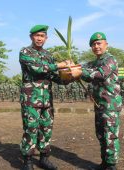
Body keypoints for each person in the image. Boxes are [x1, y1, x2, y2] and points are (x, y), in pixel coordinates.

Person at [19, 24, 72, 170]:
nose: (39, 38)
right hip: (30, 99)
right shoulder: (25, 52)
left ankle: (44, 158)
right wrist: (60, 65)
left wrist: (69, 77)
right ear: (31, 37)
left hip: (46, 100)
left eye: (42, 36)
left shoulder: (49, 55)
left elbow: (53, 76)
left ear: (46, 38)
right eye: (37, 35)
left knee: (46, 129)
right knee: (31, 128)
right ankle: (28, 161)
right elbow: (38, 68)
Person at [81, 32, 122, 170]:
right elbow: (85, 73)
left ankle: (111, 165)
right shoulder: (94, 63)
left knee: (110, 136)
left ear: (106, 45)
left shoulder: (110, 60)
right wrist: (73, 67)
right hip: (99, 104)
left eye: (99, 43)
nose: (96, 46)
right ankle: (104, 163)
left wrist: (80, 72)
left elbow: (100, 74)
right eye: (93, 44)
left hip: (110, 104)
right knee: (101, 135)